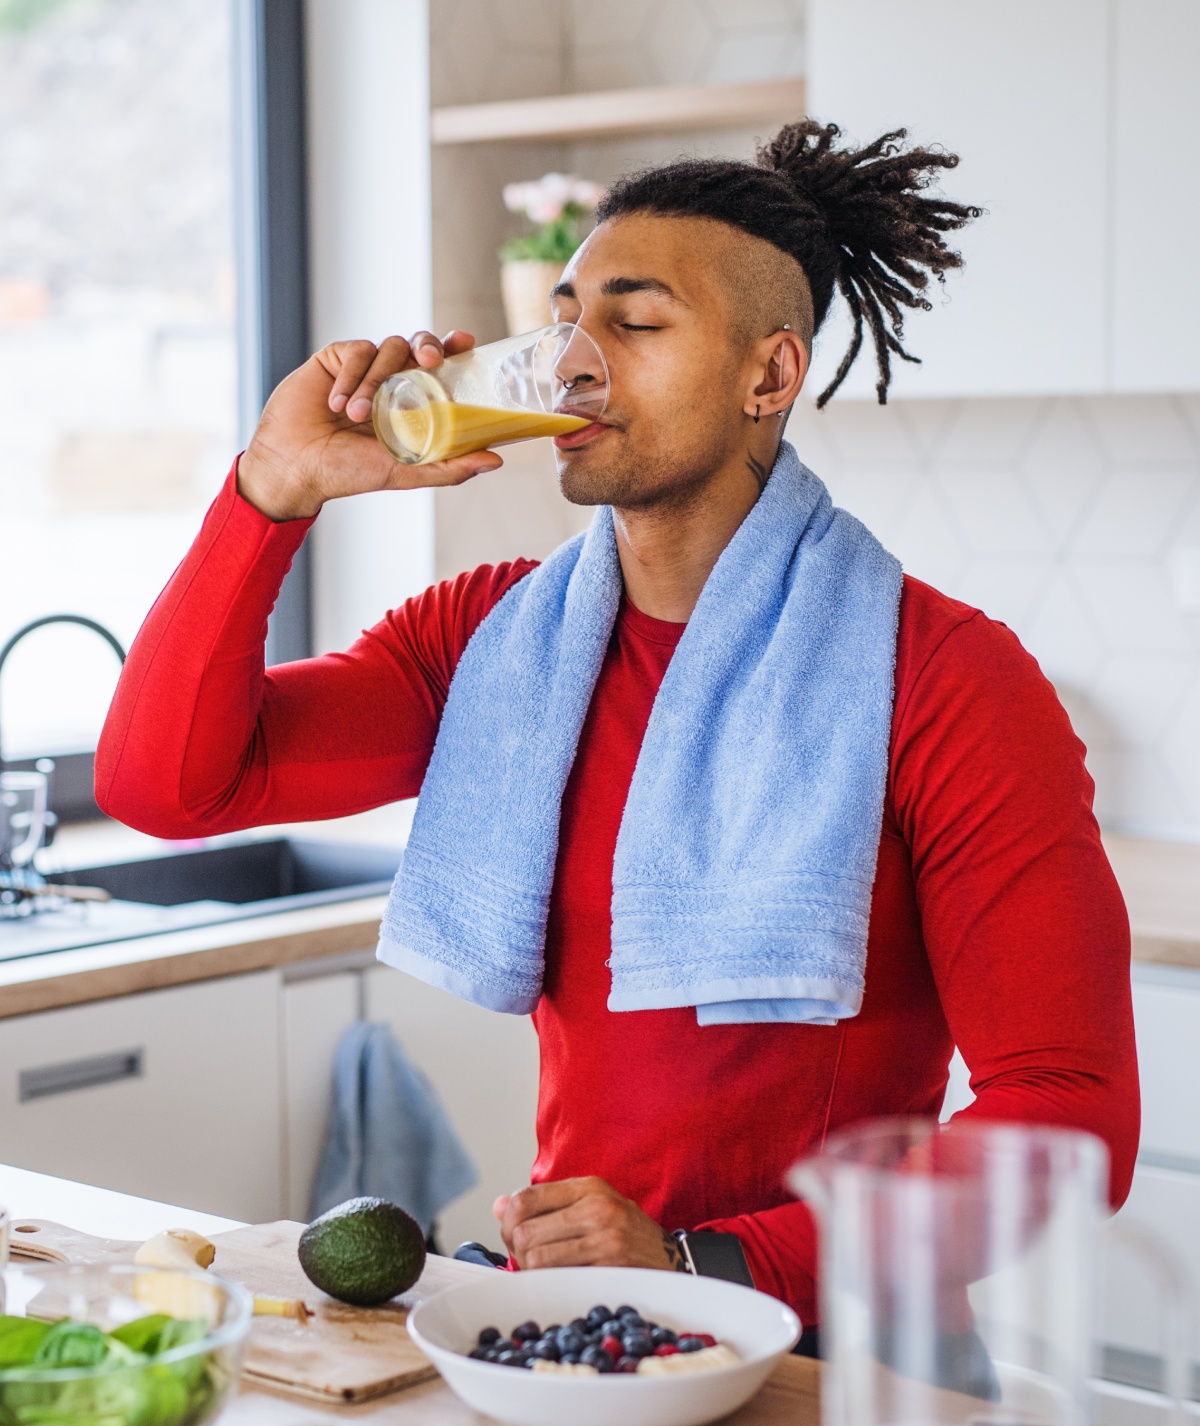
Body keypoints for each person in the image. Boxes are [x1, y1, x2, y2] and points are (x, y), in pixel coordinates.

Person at [96, 121, 1138, 1333]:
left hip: (842, 1357)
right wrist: (270, 490)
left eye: (634, 326)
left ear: (769, 375)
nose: (573, 365)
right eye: (565, 322)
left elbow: (1070, 1119)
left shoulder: (947, 680)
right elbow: (168, 786)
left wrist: (705, 1264)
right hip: (580, 1325)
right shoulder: (491, 643)